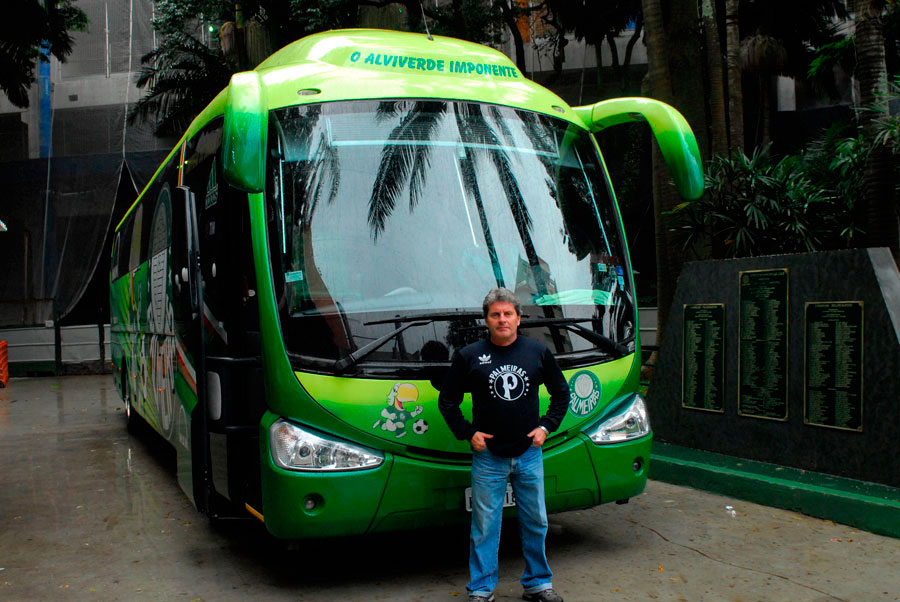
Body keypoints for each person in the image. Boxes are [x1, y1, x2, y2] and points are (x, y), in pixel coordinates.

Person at [439, 287, 570, 602]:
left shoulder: (537, 352)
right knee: (484, 525)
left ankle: (538, 583)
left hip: (529, 454)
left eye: (508, 314)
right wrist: (468, 432)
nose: (502, 320)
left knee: (536, 520)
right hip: (488, 458)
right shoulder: (469, 356)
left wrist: (546, 427)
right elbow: (448, 401)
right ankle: (481, 589)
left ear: (519, 318)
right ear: (486, 320)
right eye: (495, 314)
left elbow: (561, 394)